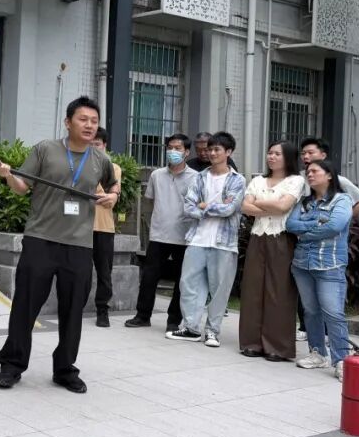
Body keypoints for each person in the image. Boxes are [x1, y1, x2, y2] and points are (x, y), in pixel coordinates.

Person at [0, 96, 120, 393]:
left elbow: (113, 184)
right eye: (83, 119)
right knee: (25, 306)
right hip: (41, 239)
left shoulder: (100, 159)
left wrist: (113, 196)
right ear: (68, 122)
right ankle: (11, 365)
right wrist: (8, 175)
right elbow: (22, 187)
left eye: (94, 121)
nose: (89, 125)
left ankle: (64, 369)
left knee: (73, 310)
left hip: (79, 245)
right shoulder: (45, 149)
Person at [166, 132, 246, 348]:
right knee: (188, 284)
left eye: (217, 149)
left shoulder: (238, 180)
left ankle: (212, 331)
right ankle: (191, 328)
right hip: (197, 238)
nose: (211, 153)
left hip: (223, 242)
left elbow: (230, 209)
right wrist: (212, 207)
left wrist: (204, 206)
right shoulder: (199, 177)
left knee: (219, 289)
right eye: (210, 149)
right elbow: (189, 207)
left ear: (228, 152)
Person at [296, 138, 359, 342]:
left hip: (329, 249)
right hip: (304, 247)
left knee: (329, 297)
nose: (306, 157)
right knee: (306, 292)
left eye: (311, 152)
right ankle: (306, 330)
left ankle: (333, 339)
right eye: (303, 153)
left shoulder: (338, 182)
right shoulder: (299, 180)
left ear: (323, 155)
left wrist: (341, 217)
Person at [287, 159, 353, 380]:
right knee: (311, 311)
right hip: (302, 264)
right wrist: (316, 224)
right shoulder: (304, 202)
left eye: (315, 171)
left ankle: (342, 360)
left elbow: (335, 226)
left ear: (329, 175)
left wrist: (304, 233)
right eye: (308, 172)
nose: (310, 174)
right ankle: (317, 353)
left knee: (333, 313)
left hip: (329, 264)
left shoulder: (342, 199)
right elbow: (290, 225)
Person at [238, 141, 304, 361]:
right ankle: (252, 343)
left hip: (281, 238)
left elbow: (284, 207)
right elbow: (245, 207)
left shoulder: (296, 180)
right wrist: (272, 204)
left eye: (277, 154)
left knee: (279, 291)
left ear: (288, 157)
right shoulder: (257, 180)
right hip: (258, 237)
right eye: (269, 153)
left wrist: (258, 202)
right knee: (253, 289)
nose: (271, 157)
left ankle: (277, 347)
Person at [125, 133, 196, 330]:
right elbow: (151, 201)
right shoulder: (156, 175)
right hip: (159, 234)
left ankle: (174, 321)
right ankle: (142, 315)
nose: (173, 151)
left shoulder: (196, 178)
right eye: (170, 148)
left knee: (181, 281)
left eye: (178, 148)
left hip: (184, 236)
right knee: (149, 277)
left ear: (187, 152)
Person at [89, 127, 121, 328]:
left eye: (97, 144)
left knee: (104, 273)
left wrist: (106, 195)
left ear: (105, 145)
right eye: (90, 144)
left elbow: (110, 200)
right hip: (79, 227)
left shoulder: (113, 168)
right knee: (79, 272)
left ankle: (103, 310)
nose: (94, 148)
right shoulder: (77, 165)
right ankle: (74, 307)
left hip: (104, 227)